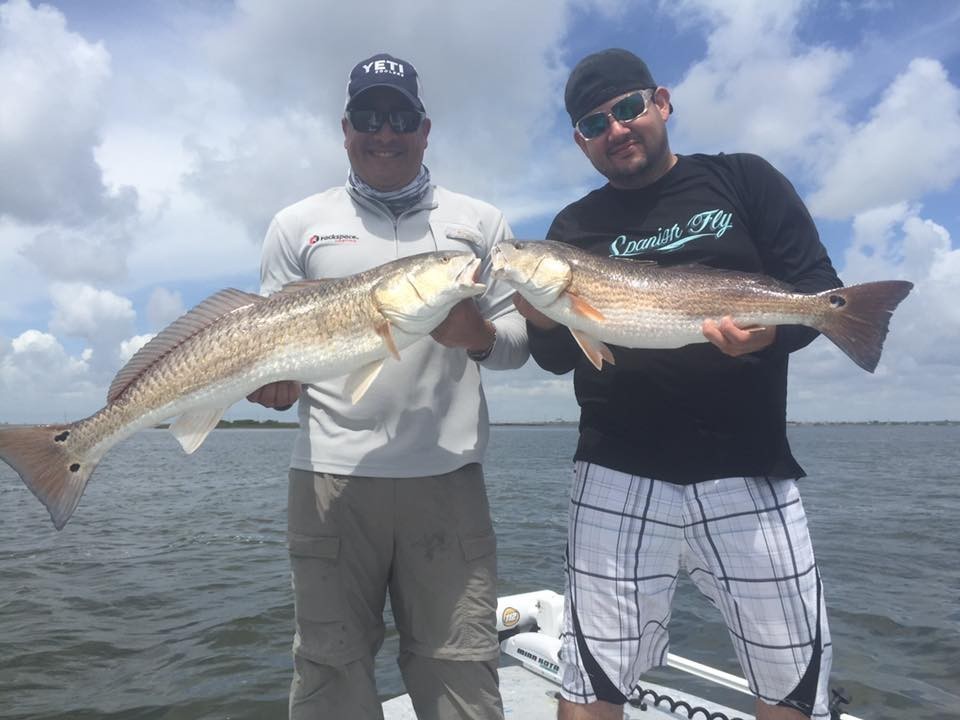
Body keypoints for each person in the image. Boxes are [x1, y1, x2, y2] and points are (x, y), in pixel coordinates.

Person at [513, 48, 841, 720]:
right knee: (590, 683)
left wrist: (774, 332)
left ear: (661, 102)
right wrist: (537, 312)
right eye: (593, 124)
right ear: (581, 142)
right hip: (616, 468)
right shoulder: (570, 231)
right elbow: (555, 360)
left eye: (628, 108)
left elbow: (818, 296)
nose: (616, 128)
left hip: (747, 465)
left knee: (790, 684)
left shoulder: (745, 181)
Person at [247, 52, 528, 720]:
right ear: (345, 128)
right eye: (369, 116)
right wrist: (271, 382)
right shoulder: (296, 225)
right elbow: (265, 342)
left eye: (400, 116)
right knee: (328, 671)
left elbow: (519, 346)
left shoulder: (480, 224)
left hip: (448, 478)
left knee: (461, 671)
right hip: (328, 480)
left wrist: (478, 338)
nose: (385, 131)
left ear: (425, 128)